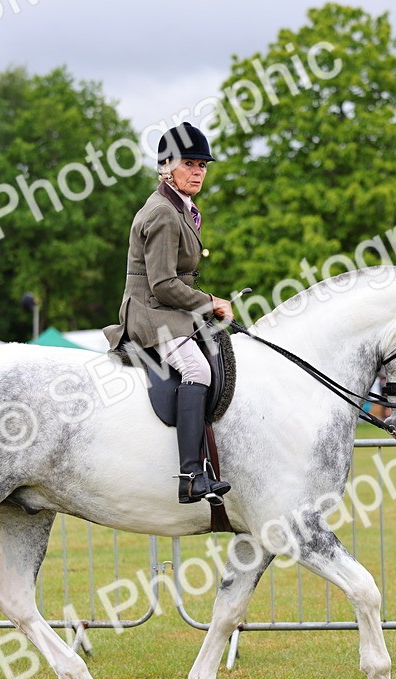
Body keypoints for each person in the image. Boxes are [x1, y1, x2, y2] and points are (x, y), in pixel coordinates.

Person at [104, 122, 233, 505]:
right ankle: (191, 475)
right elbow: (162, 284)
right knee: (198, 370)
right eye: (189, 164)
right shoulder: (162, 212)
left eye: (202, 165)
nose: (198, 172)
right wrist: (210, 302)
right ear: (166, 167)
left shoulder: (183, 209)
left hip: (170, 310)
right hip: (151, 313)